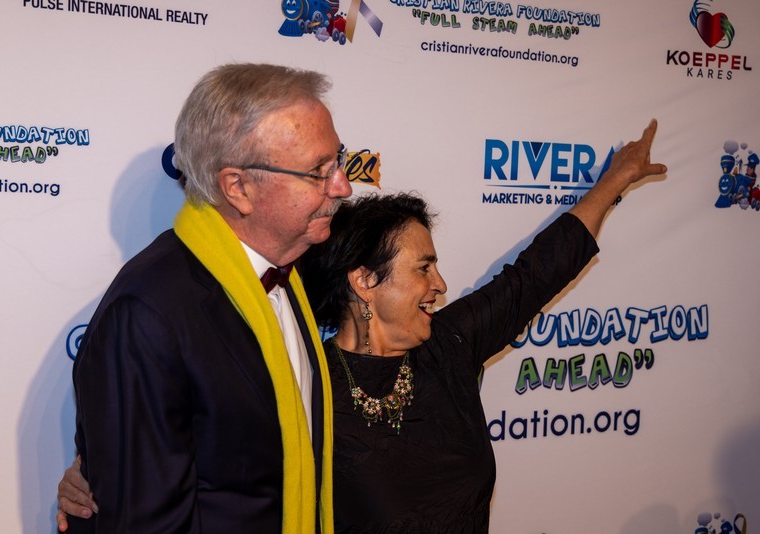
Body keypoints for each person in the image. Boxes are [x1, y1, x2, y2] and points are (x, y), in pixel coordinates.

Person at [59, 120, 665, 532]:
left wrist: (615, 181)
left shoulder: (449, 348)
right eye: (422, 267)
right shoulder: (305, 382)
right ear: (364, 281)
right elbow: (199, 465)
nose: (440, 285)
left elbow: (535, 275)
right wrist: (91, 479)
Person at [61, 63, 353, 533]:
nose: (343, 186)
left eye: (337, 161)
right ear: (238, 188)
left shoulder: (291, 274)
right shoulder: (147, 315)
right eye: (318, 172)